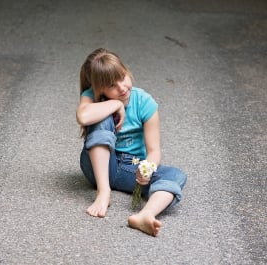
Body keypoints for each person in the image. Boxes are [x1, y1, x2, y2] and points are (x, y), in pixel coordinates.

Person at [76, 48, 187, 236]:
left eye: (122, 77)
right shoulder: (91, 96)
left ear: (127, 71)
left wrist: (149, 168)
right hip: (99, 166)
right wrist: (116, 105)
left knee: (176, 175)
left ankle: (145, 215)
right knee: (101, 117)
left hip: (132, 169)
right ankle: (104, 193)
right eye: (112, 85)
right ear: (99, 89)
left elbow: (154, 151)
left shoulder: (144, 102)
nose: (122, 87)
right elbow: (84, 117)